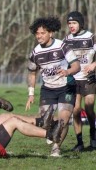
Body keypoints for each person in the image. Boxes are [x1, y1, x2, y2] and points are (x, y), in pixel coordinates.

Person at [25, 16, 80, 157]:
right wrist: (31, 93)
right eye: (37, 33)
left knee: (64, 119)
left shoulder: (62, 46)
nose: (39, 36)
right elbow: (32, 73)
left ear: (51, 33)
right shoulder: (35, 52)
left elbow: (77, 66)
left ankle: (56, 147)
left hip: (66, 87)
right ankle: (52, 128)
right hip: (48, 89)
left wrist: (67, 71)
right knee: (44, 123)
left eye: (42, 33)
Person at [63, 11, 96, 151]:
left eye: (74, 23)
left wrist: (94, 65)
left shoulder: (91, 37)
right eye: (69, 23)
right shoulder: (67, 40)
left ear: (80, 24)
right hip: (74, 80)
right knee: (75, 110)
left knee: (89, 107)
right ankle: (79, 143)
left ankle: (94, 139)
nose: (71, 26)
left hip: (89, 78)